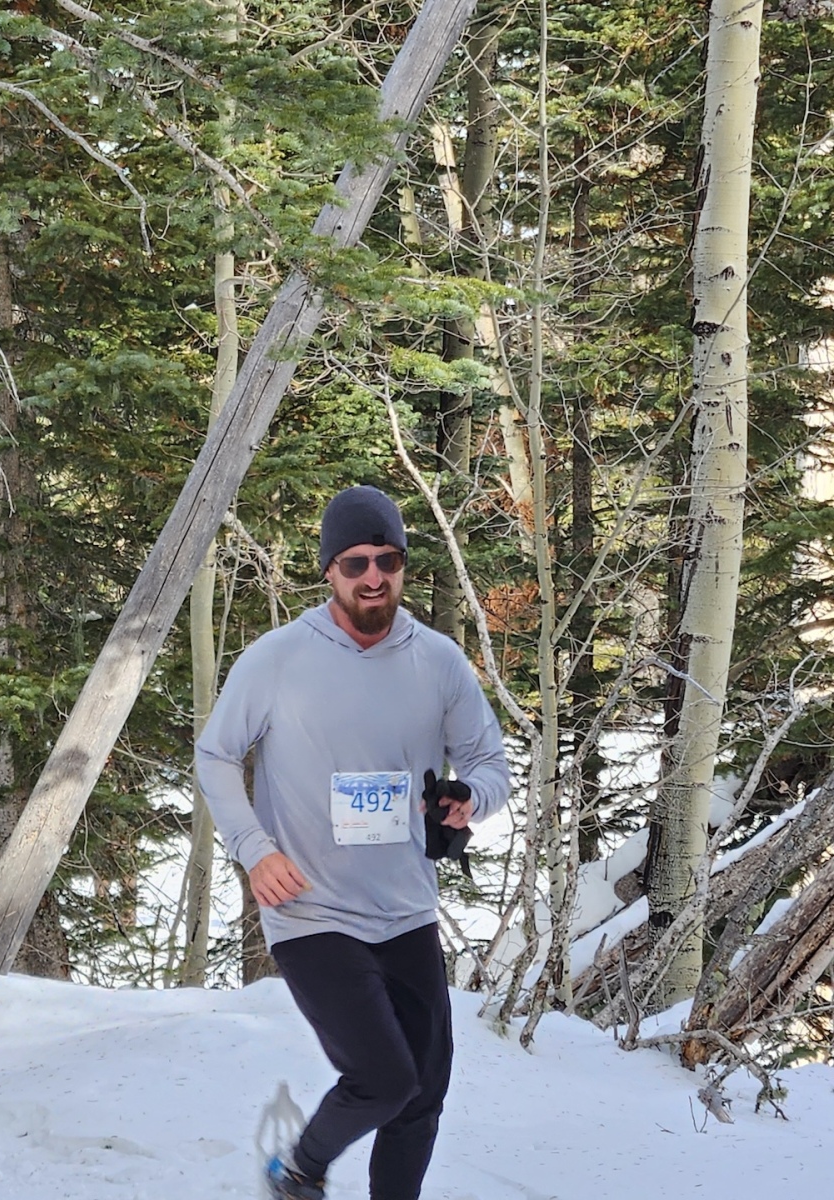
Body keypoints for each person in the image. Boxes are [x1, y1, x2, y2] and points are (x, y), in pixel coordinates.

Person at [195, 485, 509, 1200]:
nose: (374, 576)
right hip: (311, 911)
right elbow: (215, 754)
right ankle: (298, 1170)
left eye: (388, 560)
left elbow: (490, 765)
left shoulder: (438, 661)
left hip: (406, 909)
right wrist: (253, 848)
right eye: (356, 562)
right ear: (329, 570)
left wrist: (470, 800)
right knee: (383, 1078)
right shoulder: (279, 658)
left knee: (422, 1096)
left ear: (402, 565)